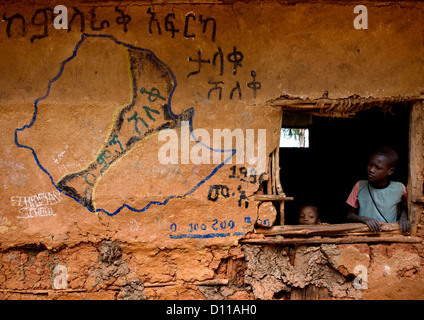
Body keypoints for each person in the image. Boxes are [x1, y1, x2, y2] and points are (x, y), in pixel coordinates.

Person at [346, 146, 411, 233]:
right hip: (365, 234)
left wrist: (403, 218)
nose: (371, 170)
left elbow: (406, 206)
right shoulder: (360, 186)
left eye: (378, 168)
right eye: (370, 164)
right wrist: (364, 219)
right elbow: (350, 215)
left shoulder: (400, 188)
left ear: (390, 171)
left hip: (391, 234)